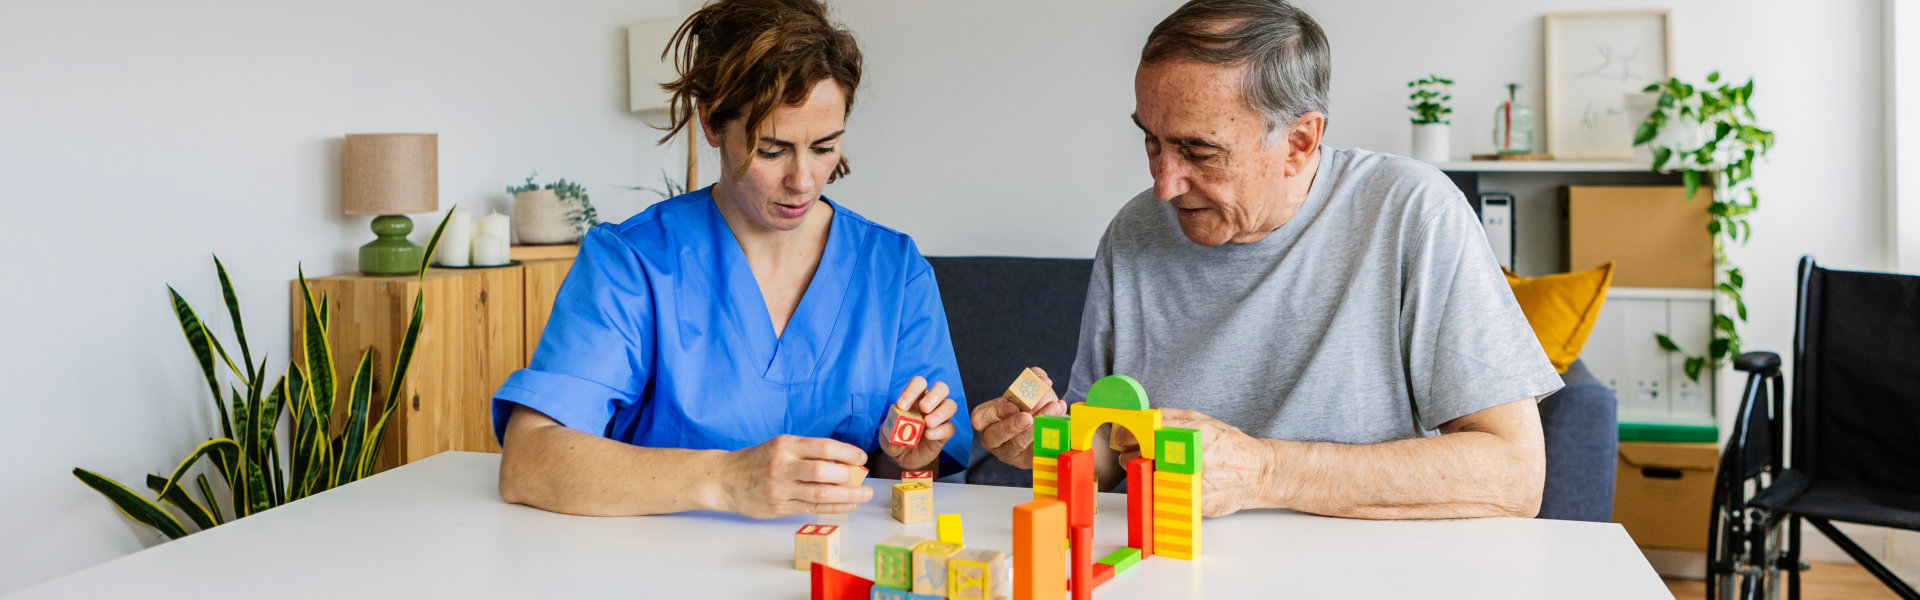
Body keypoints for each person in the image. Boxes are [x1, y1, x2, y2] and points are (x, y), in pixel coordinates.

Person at [972, 0, 1561, 520]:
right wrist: (1047, 441)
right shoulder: (1134, 232)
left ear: (1299, 141)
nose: (1164, 184)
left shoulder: (1413, 211)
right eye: (1151, 140)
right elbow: (1110, 456)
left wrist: (1265, 472)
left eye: (1198, 151)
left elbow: (1512, 475)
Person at [494, 0, 970, 519]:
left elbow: (902, 477)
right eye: (772, 149)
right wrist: (724, 480)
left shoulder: (893, 270)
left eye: (824, 146)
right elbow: (529, 460)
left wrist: (904, 463)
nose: (803, 180)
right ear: (713, 124)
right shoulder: (634, 262)